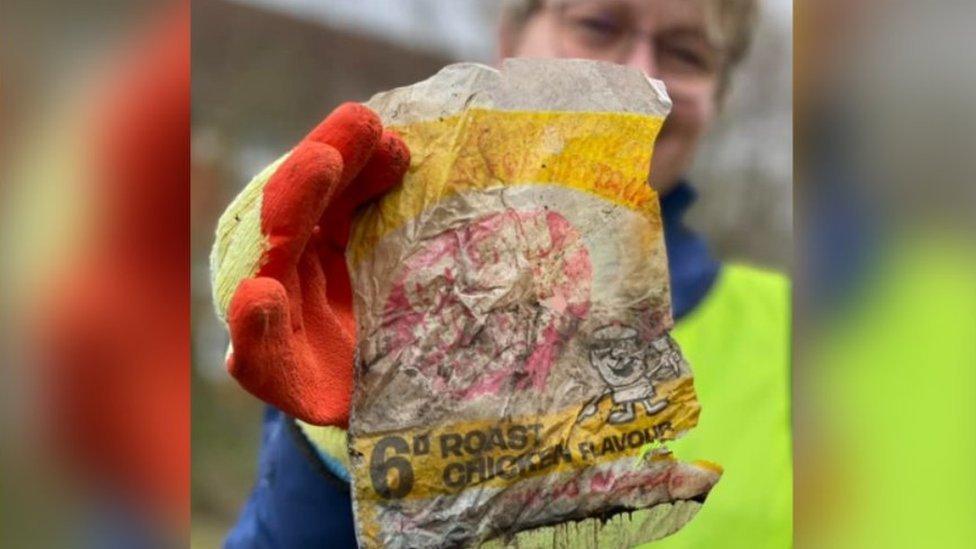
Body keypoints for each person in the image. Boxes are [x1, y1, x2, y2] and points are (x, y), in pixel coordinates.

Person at [219, 1, 790, 547]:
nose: (640, 75)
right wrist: (340, 456)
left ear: (719, 95)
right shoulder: (381, 282)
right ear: (509, 43)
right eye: (597, 24)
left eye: (687, 54)